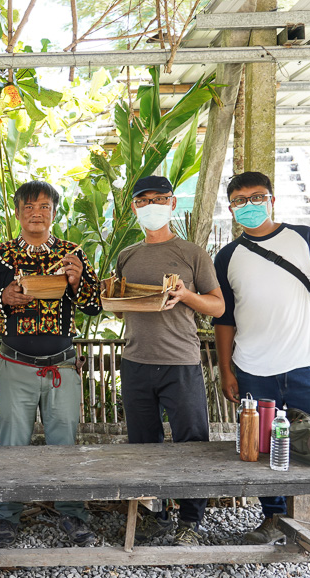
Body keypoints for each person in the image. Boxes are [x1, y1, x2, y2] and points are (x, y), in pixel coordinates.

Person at [213, 171, 310, 551]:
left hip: (305, 365)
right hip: (253, 367)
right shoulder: (228, 256)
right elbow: (224, 317)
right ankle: (275, 517)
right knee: (264, 447)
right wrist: (226, 370)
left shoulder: (302, 236)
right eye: (240, 200)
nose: (249, 205)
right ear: (232, 208)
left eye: (257, 197)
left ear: (272, 200)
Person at [0, 181, 102, 548]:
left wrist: (77, 282)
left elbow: (94, 304)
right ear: (17, 212)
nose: (37, 213)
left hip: (62, 367)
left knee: (65, 444)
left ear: (55, 212)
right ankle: (5, 519)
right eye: (29, 207)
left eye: (45, 206)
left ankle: (73, 515)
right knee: (12, 444)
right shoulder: (1, 255)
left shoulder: (72, 254)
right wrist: (2, 298)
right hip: (15, 366)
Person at [116, 176, 225, 547]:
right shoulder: (126, 256)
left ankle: (191, 520)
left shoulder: (193, 254)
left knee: (191, 442)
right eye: (143, 201)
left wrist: (185, 295)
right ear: (134, 207)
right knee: (142, 444)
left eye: (159, 199)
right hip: (135, 361)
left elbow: (217, 305)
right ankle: (152, 516)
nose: (152, 206)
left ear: (172, 204)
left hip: (180, 361)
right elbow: (122, 305)